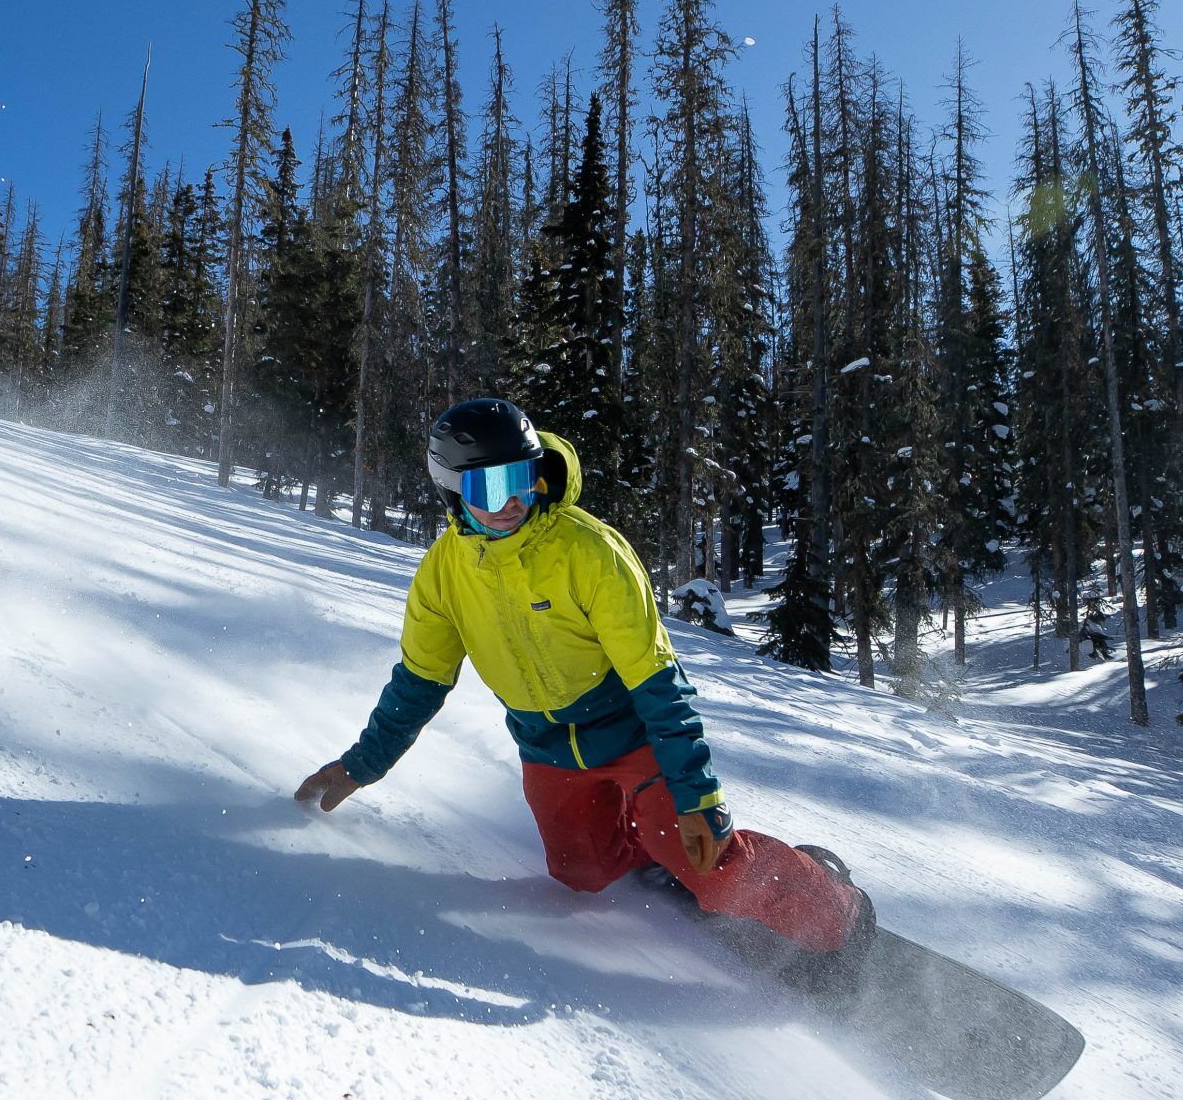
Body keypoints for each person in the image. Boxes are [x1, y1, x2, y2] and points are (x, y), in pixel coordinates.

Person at [294, 398, 877, 999]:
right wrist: (362, 765)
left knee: (716, 872)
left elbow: (659, 684)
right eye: (488, 489)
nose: (511, 502)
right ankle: (658, 853)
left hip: (632, 734)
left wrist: (696, 796)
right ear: (451, 489)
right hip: (547, 745)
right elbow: (419, 682)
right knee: (582, 873)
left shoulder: (589, 552)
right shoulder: (444, 572)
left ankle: (841, 909)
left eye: (521, 479)